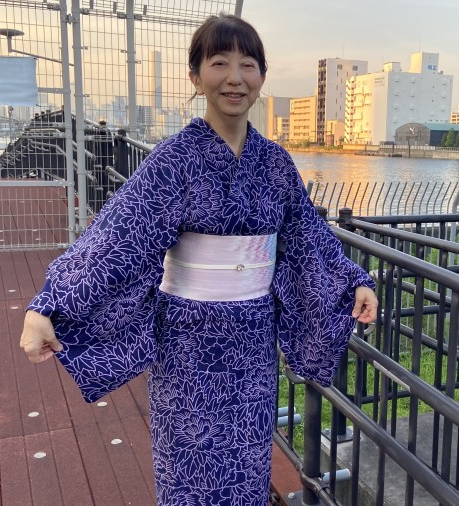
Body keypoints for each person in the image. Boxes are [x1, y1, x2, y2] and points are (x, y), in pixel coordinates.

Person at [20, 13, 378, 506]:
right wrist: (49, 305)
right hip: (188, 343)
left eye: (248, 64)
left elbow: (306, 238)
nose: (235, 77)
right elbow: (117, 238)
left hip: (253, 342)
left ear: (262, 76)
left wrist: (353, 281)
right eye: (219, 63)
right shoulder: (173, 160)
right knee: (188, 469)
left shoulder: (276, 163)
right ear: (195, 76)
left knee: (247, 466)